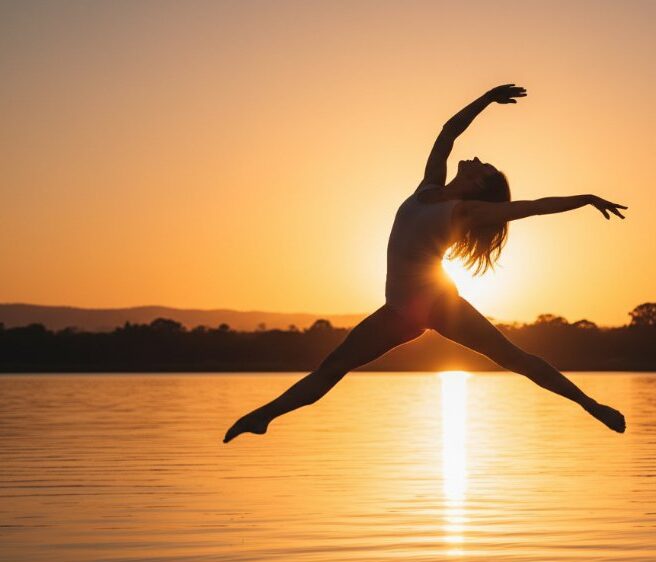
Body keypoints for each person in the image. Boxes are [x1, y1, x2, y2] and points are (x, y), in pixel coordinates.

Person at [224, 84, 628, 443]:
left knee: (512, 358)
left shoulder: (465, 212)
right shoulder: (428, 187)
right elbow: (448, 132)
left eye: (483, 167)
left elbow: (534, 207)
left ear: (479, 186)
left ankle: (592, 406)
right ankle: (263, 417)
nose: (476, 159)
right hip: (398, 310)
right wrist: (486, 99)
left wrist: (586, 199)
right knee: (332, 368)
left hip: (437, 302)